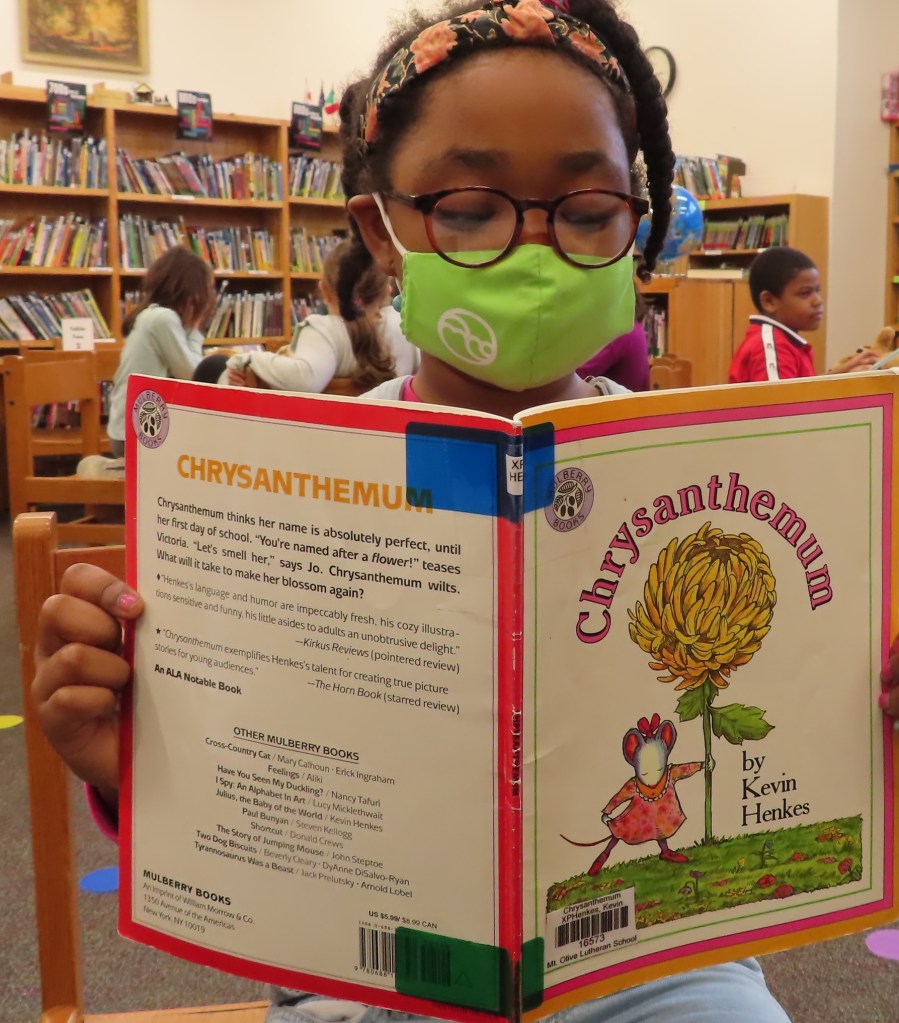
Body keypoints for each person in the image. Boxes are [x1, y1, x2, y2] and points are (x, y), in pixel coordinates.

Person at [29, 2, 899, 1021]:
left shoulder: (707, 470)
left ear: (637, 222)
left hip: (650, 962)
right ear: (382, 230)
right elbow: (249, 797)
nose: (534, 249)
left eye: (586, 210)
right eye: (470, 209)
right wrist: (136, 764)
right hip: (360, 968)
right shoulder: (277, 483)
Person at [223, 239, 418, 392]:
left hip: (329, 429)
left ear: (324, 290)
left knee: (215, 367)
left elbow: (305, 380)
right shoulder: (405, 327)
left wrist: (249, 359)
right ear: (387, 290)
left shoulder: (324, 330)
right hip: (393, 429)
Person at [106, 247, 215, 456]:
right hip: (138, 437)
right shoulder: (163, 319)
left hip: (128, 432)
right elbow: (194, 375)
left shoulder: (151, 316)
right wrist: (196, 328)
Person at [728, 246, 878, 384]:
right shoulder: (772, 346)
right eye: (805, 293)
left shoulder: (782, 341)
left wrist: (843, 373)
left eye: (817, 290)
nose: (818, 301)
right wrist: (843, 386)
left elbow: (801, 391)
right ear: (769, 301)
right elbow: (781, 402)